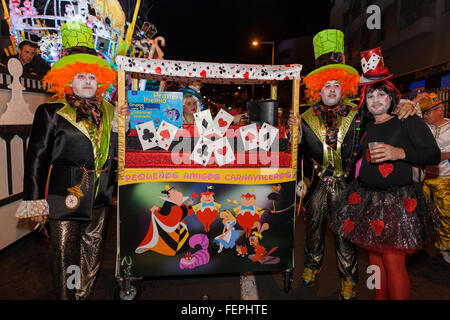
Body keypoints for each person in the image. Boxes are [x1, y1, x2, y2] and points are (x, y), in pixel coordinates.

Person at [287, 33, 417, 300]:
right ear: (317, 90)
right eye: (326, 86)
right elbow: (295, 152)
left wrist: (405, 105)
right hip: (315, 185)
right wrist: (292, 134)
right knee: (313, 231)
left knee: (346, 236)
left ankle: (349, 280)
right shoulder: (303, 117)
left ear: (343, 87)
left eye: (336, 85)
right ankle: (311, 268)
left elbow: (385, 110)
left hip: (346, 185)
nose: (332, 90)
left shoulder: (358, 113)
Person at [14, 21, 130, 300]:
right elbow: (36, 158)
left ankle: (83, 294)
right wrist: (34, 201)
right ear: (67, 79)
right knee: (66, 253)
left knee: (93, 249)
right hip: (63, 197)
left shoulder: (111, 110)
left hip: (99, 197)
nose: (88, 80)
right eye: (80, 75)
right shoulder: (50, 111)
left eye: (92, 75)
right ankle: (69, 296)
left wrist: (121, 127)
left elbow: (115, 152)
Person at [329, 50, 441, 300]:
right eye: (370, 95)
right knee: (375, 258)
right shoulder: (364, 124)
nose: (376, 99)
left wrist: (398, 152)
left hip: (396, 202)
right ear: (364, 101)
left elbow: (432, 154)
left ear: (391, 97)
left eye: (381, 94)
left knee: (393, 263)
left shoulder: (406, 119)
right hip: (366, 199)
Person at [419, 93, 450, 263]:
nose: (424, 116)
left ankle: (445, 247)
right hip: (424, 179)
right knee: (421, 213)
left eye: (427, 112)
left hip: (444, 180)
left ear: (440, 109)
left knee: (445, 215)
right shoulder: (424, 127)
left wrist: (436, 156)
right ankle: (419, 244)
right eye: (423, 113)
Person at [180, 84, 246, 125]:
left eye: (194, 103)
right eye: (188, 103)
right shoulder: (177, 123)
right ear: (182, 106)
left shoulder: (202, 120)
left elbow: (230, 120)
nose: (193, 106)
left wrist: (247, 115)